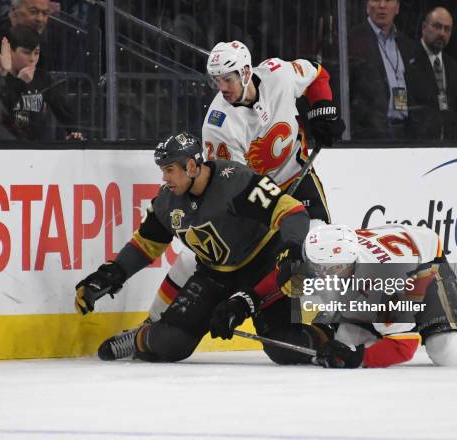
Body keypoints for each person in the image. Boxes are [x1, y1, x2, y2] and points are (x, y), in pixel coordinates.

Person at [98, 40, 345, 360]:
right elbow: (230, 188)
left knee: (315, 249)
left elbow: (317, 74)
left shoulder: (279, 75)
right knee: (198, 256)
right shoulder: (219, 124)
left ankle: (329, 326)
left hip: (299, 181)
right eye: (216, 80)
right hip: (253, 200)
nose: (221, 87)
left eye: (227, 79)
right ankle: (151, 324)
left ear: (246, 72)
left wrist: (322, 109)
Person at [75, 132, 331, 365]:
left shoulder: (236, 181)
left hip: (262, 267)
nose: (164, 178)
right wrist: (108, 275)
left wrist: (291, 250)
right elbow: (145, 244)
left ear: (191, 166)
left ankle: (327, 332)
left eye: (169, 170)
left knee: (286, 349)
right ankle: (138, 338)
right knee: (170, 343)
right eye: (162, 170)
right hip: (215, 275)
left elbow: (294, 212)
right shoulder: (167, 202)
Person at [299, 223, 457, 368]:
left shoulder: (383, 282)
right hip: (402, 253)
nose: (315, 273)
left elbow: (403, 347)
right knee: (346, 339)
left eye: (322, 268)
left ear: (340, 267)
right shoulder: (338, 257)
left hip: (426, 269)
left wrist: (359, 358)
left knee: (445, 352)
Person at [0, 25, 82, 140]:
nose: (32, 58)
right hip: (5, 146)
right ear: (11, 51)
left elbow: (62, 108)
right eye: (26, 52)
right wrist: (19, 82)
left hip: (37, 147)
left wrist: (74, 131)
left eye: (36, 52)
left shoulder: (42, 78)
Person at [348, 0, 418, 139]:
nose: (382, 5)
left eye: (388, 1)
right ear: (367, 6)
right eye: (376, 0)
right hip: (369, 136)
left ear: (397, 8)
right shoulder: (352, 40)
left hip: (406, 133)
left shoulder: (407, 44)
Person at [410, 7, 457, 139]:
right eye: (437, 26)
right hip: (417, 142)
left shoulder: (453, 66)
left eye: (447, 29)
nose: (442, 33)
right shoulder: (408, 57)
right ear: (423, 27)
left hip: (448, 144)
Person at [0, 0, 51, 69]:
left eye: (45, 13)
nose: (40, 19)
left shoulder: (40, 44)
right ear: (13, 10)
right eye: (33, 12)